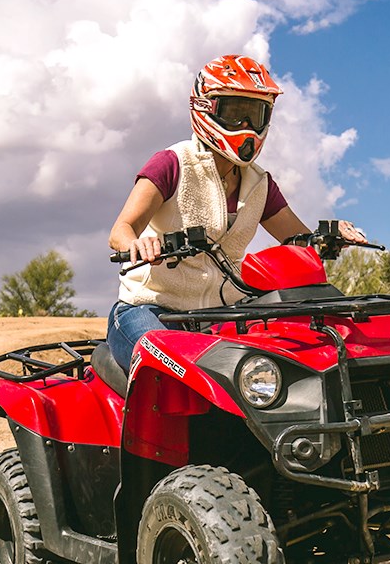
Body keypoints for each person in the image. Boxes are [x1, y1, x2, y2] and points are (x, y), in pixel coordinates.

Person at [105, 54, 363, 368]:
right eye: (235, 113)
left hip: (223, 315)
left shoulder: (260, 184)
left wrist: (331, 236)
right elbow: (121, 230)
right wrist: (136, 244)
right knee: (175, 369)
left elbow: (299, 242)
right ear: (204, 108)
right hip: (150, 310)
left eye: (255, 115)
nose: (246, 126)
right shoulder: (173, 163)